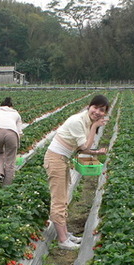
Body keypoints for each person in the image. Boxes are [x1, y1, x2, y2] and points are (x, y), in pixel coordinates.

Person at [44, 94, 109, 250]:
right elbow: (84, 147)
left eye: (102, 110)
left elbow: (85, 147)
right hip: (55, 159)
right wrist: (94, 128)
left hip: (62, 159)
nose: (98, 112)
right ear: (89, 106)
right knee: (59, 200)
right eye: (96, 107)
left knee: (64, 196)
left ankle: (66, 234)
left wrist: (96, 152)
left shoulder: (86, 121)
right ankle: (62, 240)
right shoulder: (77, 121)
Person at [0, 97, 24, 185]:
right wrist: (16, 145)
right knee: (10, 161)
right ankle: (7, 187)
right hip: (12, 134)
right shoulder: (16, 113)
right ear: (11, 106)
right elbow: (19, 132)